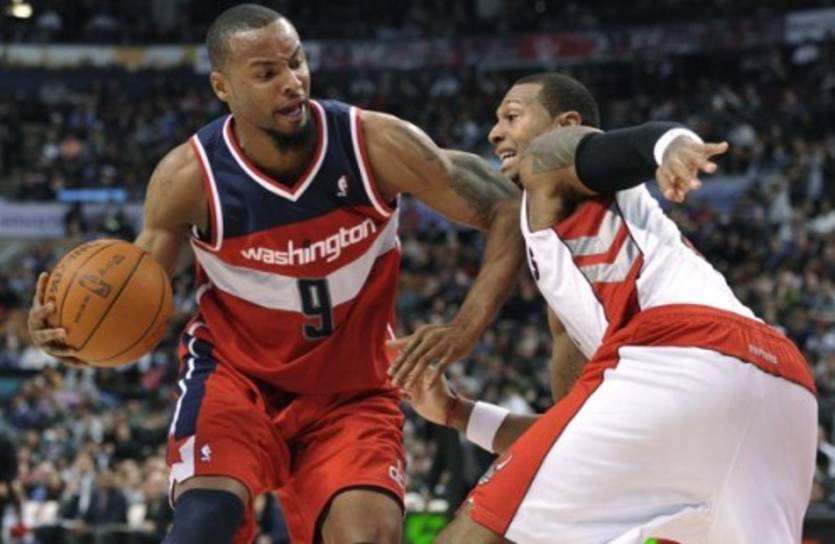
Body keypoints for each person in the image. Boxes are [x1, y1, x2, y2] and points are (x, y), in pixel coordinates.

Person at [26, 5, 522, 544]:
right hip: (236, 381)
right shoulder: (189, 177)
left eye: (296, 62)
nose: (292, 82)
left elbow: (506, 206)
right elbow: (134, 291)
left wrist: (465, 327)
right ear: (223, 87)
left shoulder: (373, 145)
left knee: (369, 535)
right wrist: (72, 335)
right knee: (204, 525)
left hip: (351, 390)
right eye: (266, 73)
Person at [399, 73, 817, 543]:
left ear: (566, 123)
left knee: (474, 534)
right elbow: (566, 443)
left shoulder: (547, 159)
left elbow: (624, 145)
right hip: (785, 385)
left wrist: (669, 145)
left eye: (512, 116)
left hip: (680, 349)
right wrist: (456, 412)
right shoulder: (571, 295)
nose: (496, 132)